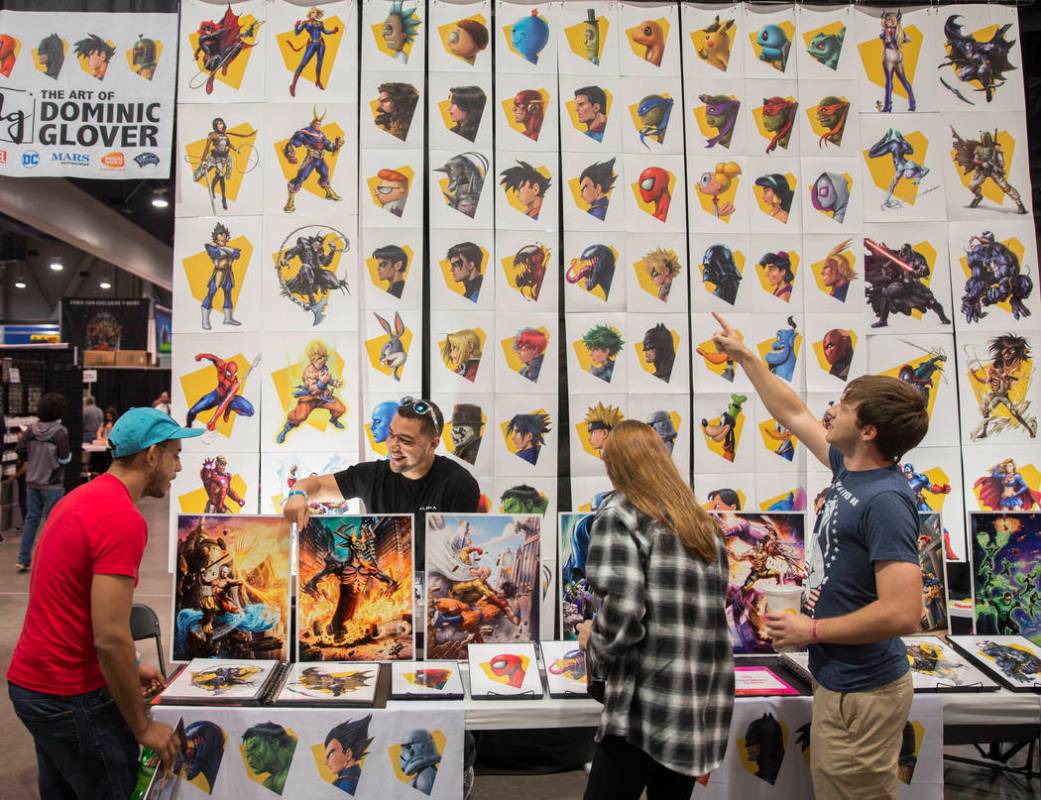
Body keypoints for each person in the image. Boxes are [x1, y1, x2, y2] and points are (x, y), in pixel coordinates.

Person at [710, 312, 926, 799]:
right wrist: (746, 357)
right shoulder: (851, 470)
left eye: (844, 405)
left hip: (865, 691)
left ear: (867, 430)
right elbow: (792, 414)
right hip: (842, 680)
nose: (830, 411)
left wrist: (813, 631)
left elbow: (904, 612)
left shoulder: (885, 501)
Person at [282, 397, 481, 795]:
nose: (393, 445)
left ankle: (459, 761)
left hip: (432, 598)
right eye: (391, 436)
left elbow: (459, 557)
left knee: (440, 694)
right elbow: (316, 484)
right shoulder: (372, 475)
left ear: (433, 443)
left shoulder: (458, 484)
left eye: (406, 440)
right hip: (383, 598)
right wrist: (299, 495)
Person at [8, 407, 199, 798]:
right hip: (70, 694)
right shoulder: (120, 517)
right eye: (175, 455)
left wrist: (129, 667)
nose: (178, 468)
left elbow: (72, 609)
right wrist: (143, 728)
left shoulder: (83, 499)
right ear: (151, 455)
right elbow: (110, 637)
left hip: (36, 686)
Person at [576, 420, 733, 799]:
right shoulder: (702, 523)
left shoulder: (619, 513)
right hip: (697, 695)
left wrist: (591, 643)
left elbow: (624, 612)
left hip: (643, 699)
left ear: (614, 463)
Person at [15, 393, 71, 573]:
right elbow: (64, 459)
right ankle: (49, 560)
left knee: (31, 520)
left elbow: (20, 449)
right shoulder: (60, 432)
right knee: (52, 523)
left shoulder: (31, 430)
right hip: (52, 484)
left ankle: (23, 559)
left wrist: (32, 459)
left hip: (32, 481)